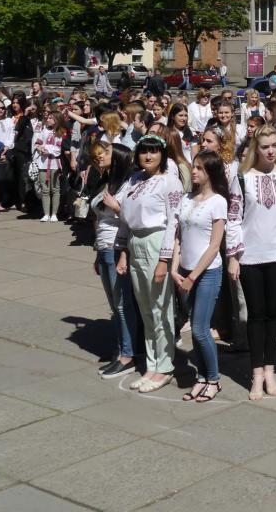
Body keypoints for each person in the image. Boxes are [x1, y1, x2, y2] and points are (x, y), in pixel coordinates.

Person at [226, 125, 276, 400]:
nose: (270, 151)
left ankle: (270, 369)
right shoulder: (242, 177)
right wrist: (233, 257)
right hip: (250, 256)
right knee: (255, 316)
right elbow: (233, 218)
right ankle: (256, 372)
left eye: (274, 145)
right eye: (265, 146)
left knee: (273, 315)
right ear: (255, 148)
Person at [114, 134, 184, 394]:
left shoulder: (170, 181)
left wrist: (164, 259)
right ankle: (152, 364)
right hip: (135, 241)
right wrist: (123, 250)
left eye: (154, 151)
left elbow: (174, 221)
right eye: (144, 151)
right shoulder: (135, 179)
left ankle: (164, 366)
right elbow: (124, 216)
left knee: (160, 306)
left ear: (162, 154)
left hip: (156, 241)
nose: (148, 156)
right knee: (144, 306)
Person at [168, 151, 228, 403]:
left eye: (200, 168)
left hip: (207, 273)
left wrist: (192, 276)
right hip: (184, 272)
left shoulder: (218, 202)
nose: (194, 171)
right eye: (194, 167)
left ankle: (213, 379)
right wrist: (174, 268)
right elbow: (178, 237)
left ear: (210, 173)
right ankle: (201, 377)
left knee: (201, 329)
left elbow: (214, 246)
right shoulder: (186, 199)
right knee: (194, 329)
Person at [87, 139, 137, 379]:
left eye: (106, 152)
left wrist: (117, 207)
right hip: (104, 247)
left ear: (117, 158)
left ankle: (128, 355)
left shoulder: (128, 184)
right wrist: (97, 251)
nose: (101, 155)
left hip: (116, 247)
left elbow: (133, 218)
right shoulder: (105, 181)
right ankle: (121, 348)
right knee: (115, 304)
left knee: (122, 304)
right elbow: (98, 219)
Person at [32, 110, 63, 222]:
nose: (48, 119)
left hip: (55, 164)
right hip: (43, 163)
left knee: (55, 189)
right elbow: (37, 143)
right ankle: (46, 214)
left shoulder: (61, 132)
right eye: (48, 118)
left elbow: (59, 148)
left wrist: (47, 149)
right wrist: (40, 148)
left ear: (56, 120)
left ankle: (54, 214)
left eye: (50, 118)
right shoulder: (44, 130)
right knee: (44, 189)